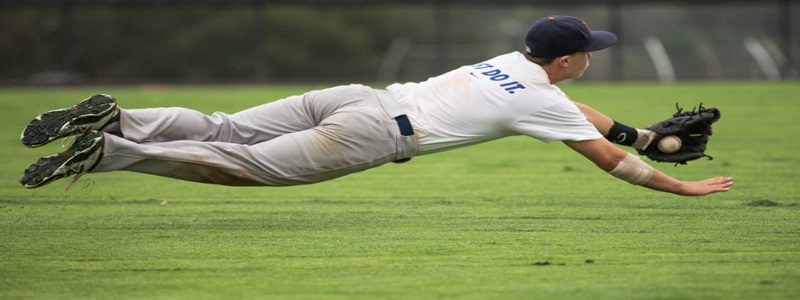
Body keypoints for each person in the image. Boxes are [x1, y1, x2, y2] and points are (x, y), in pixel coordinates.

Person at [19, 15, 733, 196]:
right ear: (568, 62)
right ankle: (110, 150)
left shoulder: (514, 66)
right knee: (239, 165)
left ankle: (116, 119)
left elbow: (583, 115)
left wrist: (644, 134)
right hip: (373, 133)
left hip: (358, 96)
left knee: (223, 126)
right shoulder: (545, 104)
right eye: (588, 52)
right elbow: (605, 157)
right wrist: (679, 183)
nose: (591, 58)